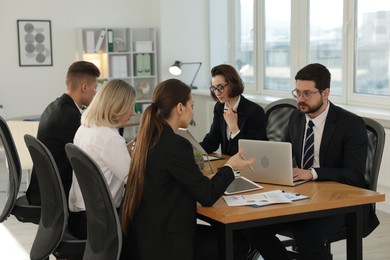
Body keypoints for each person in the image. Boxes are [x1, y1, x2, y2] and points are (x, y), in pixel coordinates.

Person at [245, 63, 379, 260]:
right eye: (297, 92)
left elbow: (355, 175)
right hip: (303, 196)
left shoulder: (350, 124)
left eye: (307, 93)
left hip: (342, 202)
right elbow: (282, 152)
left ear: (325, 93)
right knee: (252, 225)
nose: (300, 99)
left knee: (307, 236)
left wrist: (313, 173)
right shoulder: (296, 118)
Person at [120, 79, 254, 260]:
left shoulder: (148, 137)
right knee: (238, 243)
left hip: (147, 235)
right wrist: (230, 166)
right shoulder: (175, 144)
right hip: (167, 242)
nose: (193, 110)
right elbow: (207, 195)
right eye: (192, 105)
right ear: (180, 108)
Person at [68, 79, 137, 239]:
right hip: (100, 222)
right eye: (130, 107)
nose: (133, 113)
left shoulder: (85, 127)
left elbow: (102, 158)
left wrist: (123, 151)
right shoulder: (110, 138)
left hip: (80, 213)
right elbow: (134, 180)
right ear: (115, 107)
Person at [26, 61, 100, 205]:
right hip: (57, 193)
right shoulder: (69, 117)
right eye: (95, 88)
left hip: (43, 188)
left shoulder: (55, 107)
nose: (96, 93)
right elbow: (89, 155)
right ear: (84, 87)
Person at [200, 64, 266, 156]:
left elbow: (251, 152)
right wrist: (195, 151)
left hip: (247, 167)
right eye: (214, 88)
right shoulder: (219, 107)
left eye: (221, 87)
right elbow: (213, 140)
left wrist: (234, 128)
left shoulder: (255, 112)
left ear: (232, 84)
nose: (217, 93)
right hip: (227, 164)